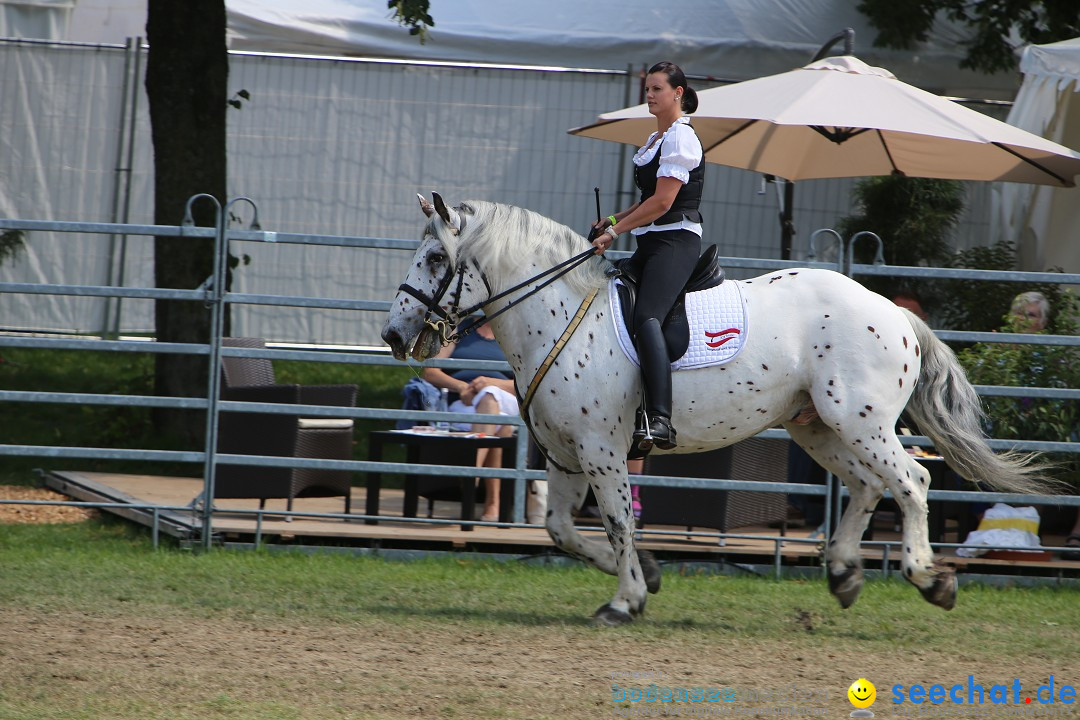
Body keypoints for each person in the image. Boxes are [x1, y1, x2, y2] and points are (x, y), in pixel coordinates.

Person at [590, 61, 703, 452]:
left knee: (647, 316)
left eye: (657, 89)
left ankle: (659, 418)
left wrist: (613, 232)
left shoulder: (680, 140)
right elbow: (645, 203)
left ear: (678, 93)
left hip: (675, 242)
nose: (650, 95)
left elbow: (663, 202)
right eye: (647, 89)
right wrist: (612, 218)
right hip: (651, 243)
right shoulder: (655, 140)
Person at [421, 321, 539, 523]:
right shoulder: (459, 330)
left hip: (506, 398)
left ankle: (471, 481)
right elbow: (431, 372)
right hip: (463, 402)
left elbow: (530, 380)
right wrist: (461, 387)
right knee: (501, 424)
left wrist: (492, 383)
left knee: (490, 396)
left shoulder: (515, 333)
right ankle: (493, 503)